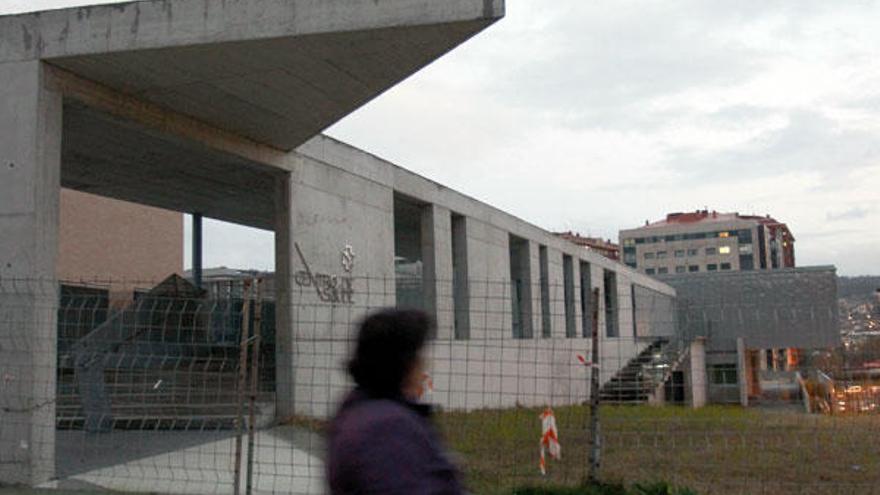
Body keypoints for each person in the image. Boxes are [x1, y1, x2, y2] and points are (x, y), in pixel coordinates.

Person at [326, 309, 464, 494]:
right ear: (404, 364)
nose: (426, 365)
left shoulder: (361, 412)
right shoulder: (387, 429)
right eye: (419, 356)